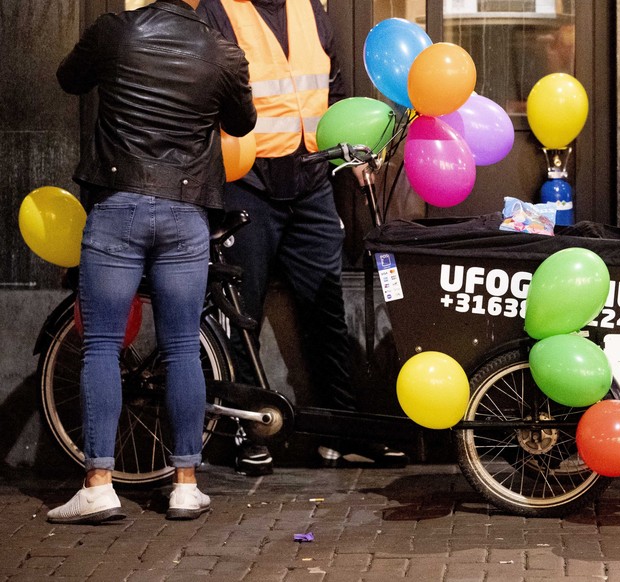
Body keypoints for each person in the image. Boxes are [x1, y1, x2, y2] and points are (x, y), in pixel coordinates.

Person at [48, 0, 256, 524]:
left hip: (118, 203)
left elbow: (69, 79)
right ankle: (185, 484)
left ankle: (98, 486)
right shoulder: (224, 52)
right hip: (187, 213)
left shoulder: (115, 32)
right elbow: (243, 122)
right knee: (183, 345)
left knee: (100, 343)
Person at [196, 0, 408, 472]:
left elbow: (332, 88)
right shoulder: (218, 9)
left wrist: (352, 151)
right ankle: (249, 429)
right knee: (240, 314)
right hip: (245, 182)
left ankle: (341, 431)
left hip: (312, 179)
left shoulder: (310, 9)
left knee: (325, 308)